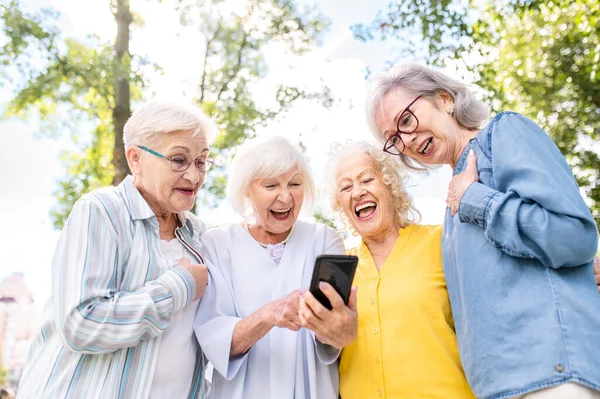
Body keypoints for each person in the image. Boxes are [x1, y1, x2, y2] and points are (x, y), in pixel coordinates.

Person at [367, 63, 600, 399]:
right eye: (394, 139)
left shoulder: (502, 134)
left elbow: (573, 235)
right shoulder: (452, 204)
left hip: (552, 377)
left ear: (445, 98)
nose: (406, 139)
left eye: (406, 120)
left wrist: (477, 199)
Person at [18, 100, 216, 399]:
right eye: (179, 160)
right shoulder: (101, 211)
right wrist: (178, 287)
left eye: (201, 161)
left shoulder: (200, 235)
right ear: (135, 159)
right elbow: (81, 323)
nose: (193, 176)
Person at [299, 140, 476, 398]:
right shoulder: (338, 269)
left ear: (390, 184)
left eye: (366, 180)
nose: (356, 192)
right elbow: (323, 349)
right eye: (346, 187)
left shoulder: (442, 241)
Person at [194, 136, 357, 399]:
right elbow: (218, 343)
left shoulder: (324, 240)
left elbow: (334, 337)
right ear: (246, 190)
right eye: (271, 185)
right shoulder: (217, 244)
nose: (285, 196)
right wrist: (270, 314)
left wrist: (337, 325)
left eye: (295, 184)